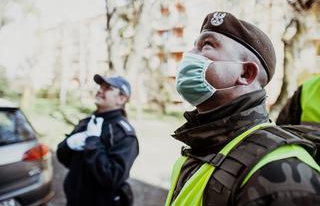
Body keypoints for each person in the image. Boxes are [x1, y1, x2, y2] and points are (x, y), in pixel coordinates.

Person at [165, 11, 320, 206]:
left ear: (246, 73)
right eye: (194, 47)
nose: (190, 55)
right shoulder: (199, 149)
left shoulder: (281, 171)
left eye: (206, 45)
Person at [57, 75, 139, 206]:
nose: (100, 90)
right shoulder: (88, 122)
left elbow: (112, 178)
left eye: (107, 88)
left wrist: (93, 141)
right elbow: (64, 159)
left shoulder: (123, 134)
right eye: (100, 86)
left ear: (121, 99)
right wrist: (68, 144)